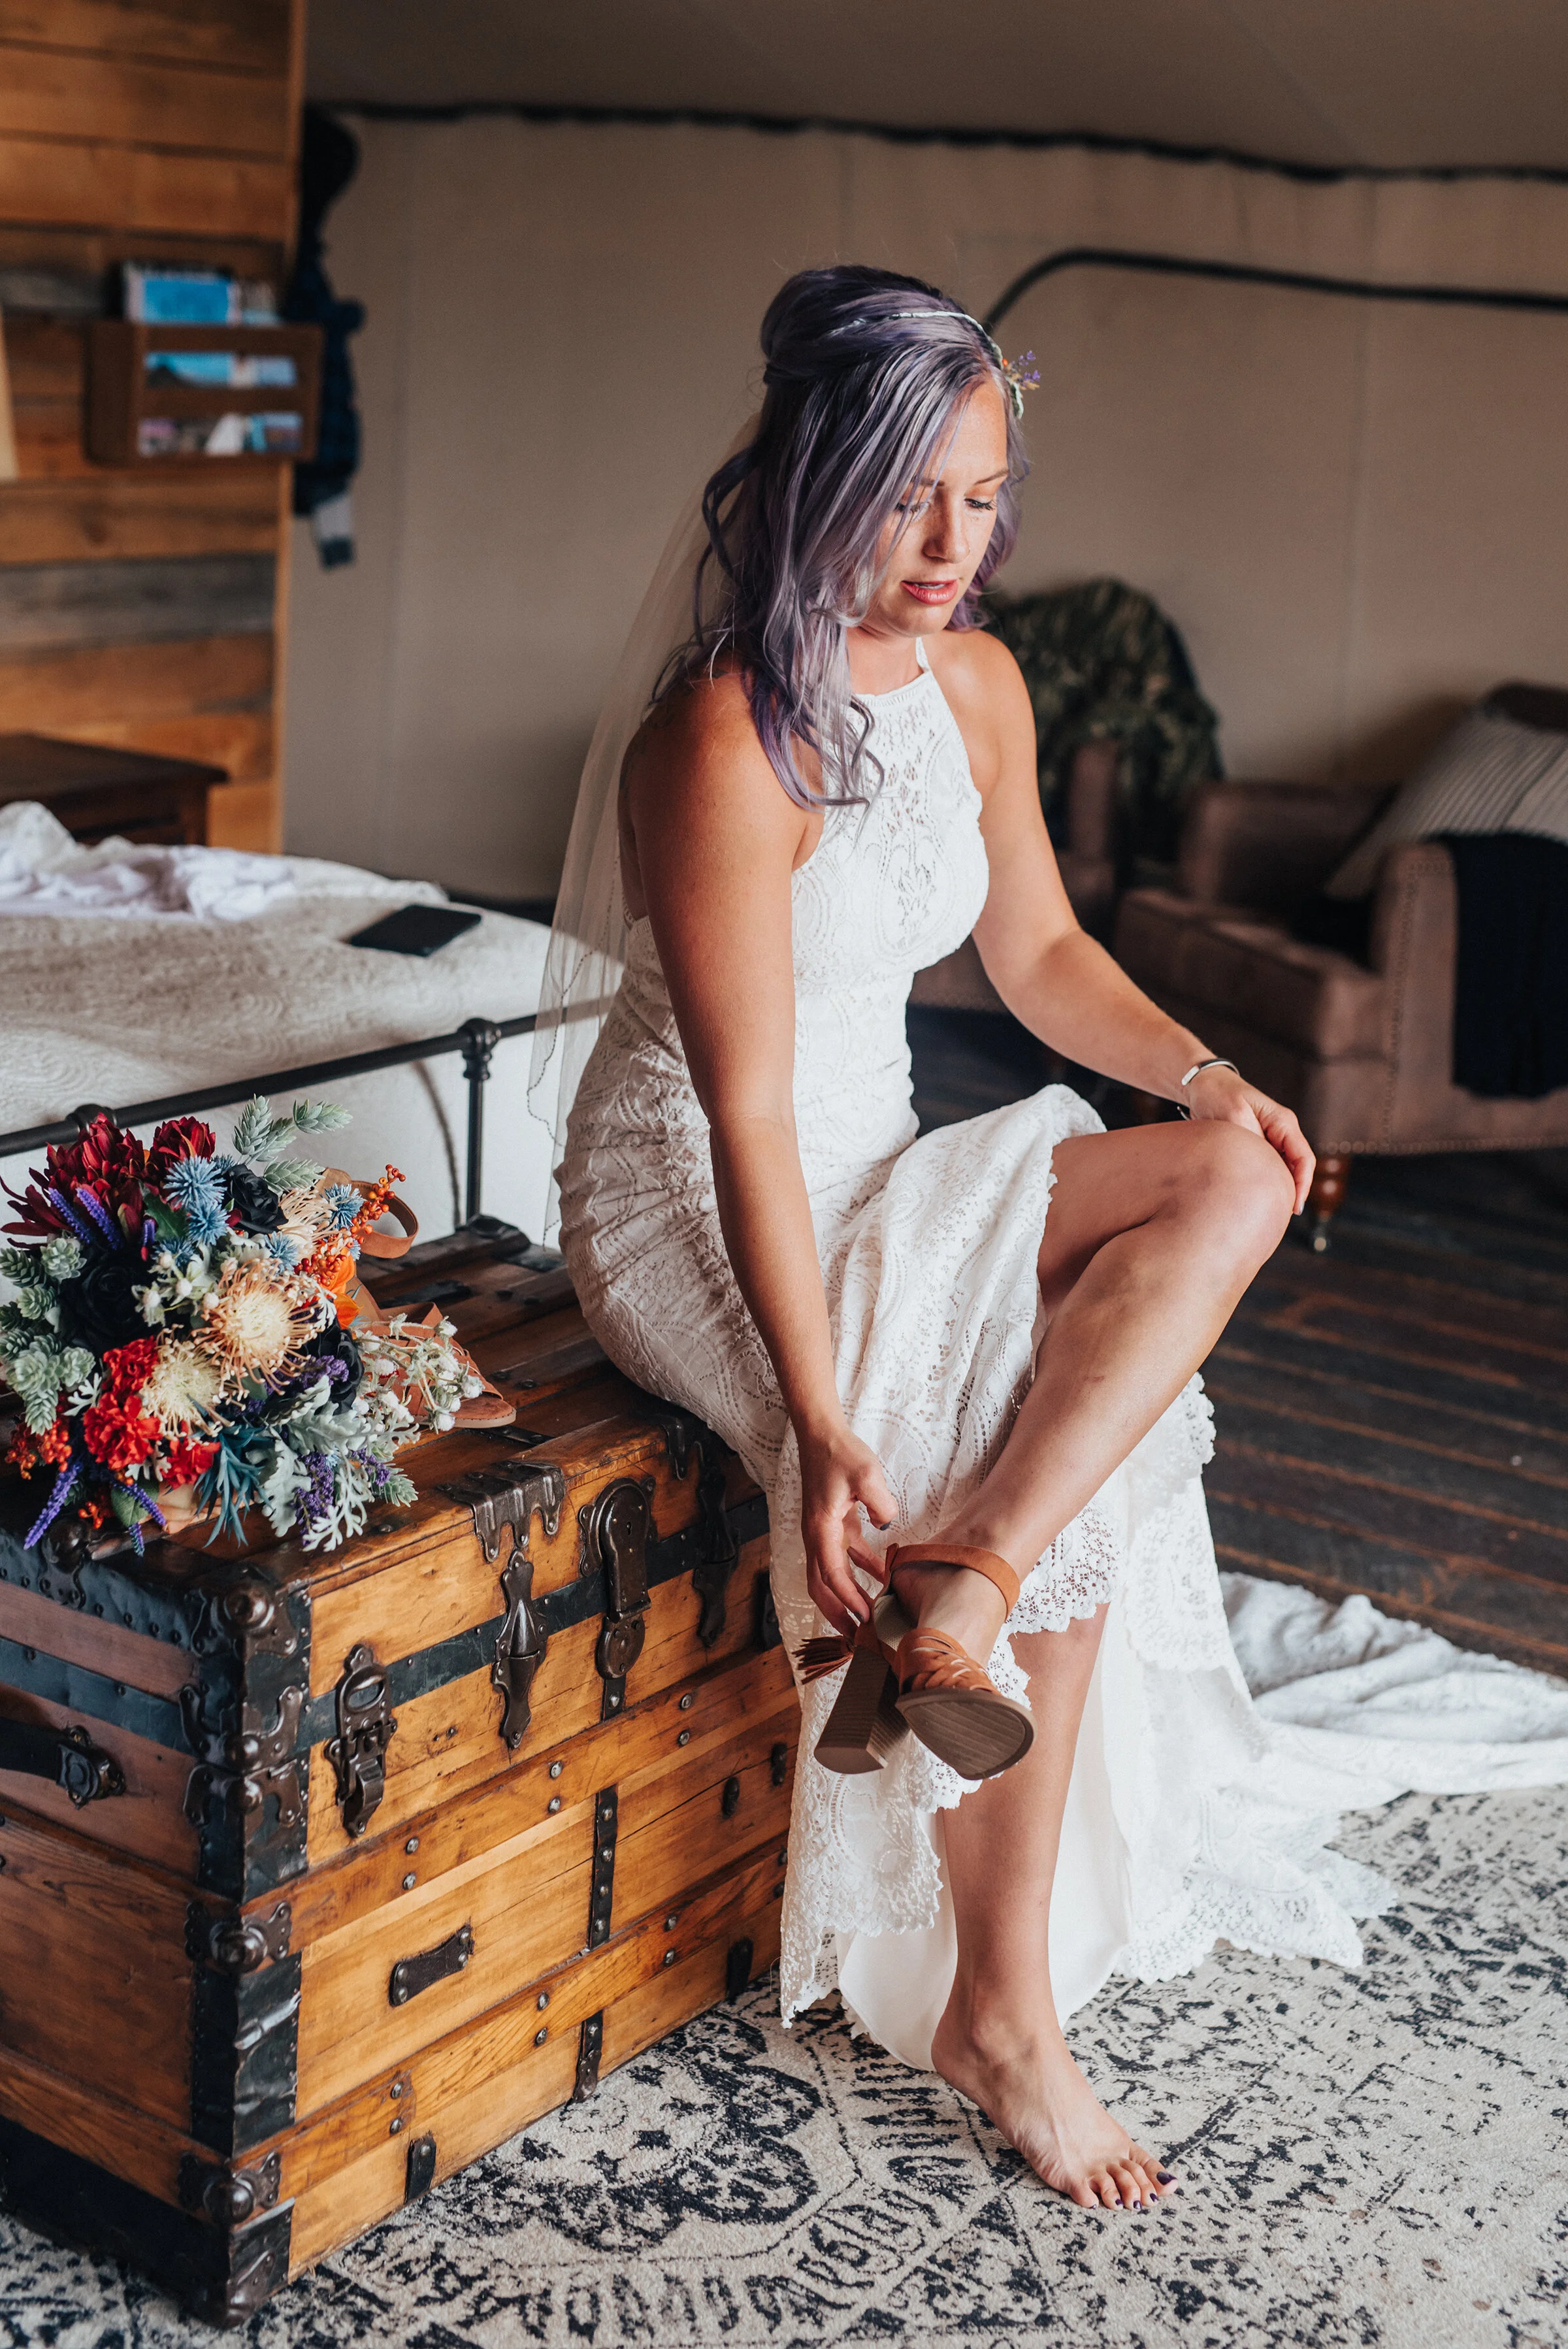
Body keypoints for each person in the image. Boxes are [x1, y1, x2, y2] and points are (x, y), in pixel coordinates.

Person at [542, 265, 1354, 2211]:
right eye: (914, 496)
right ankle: (1008, 2015)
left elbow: (1047, 958)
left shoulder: (979, 684)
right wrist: (820, 1419)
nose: (950, 546)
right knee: (1061, 1410)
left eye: (984, 499)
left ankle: (969, 1583)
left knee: (1239, 1177)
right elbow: (742, 1109)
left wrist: (1213, 1078)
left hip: (889, 1157)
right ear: (818, 476)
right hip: (699, 1199)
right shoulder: (722, 742)